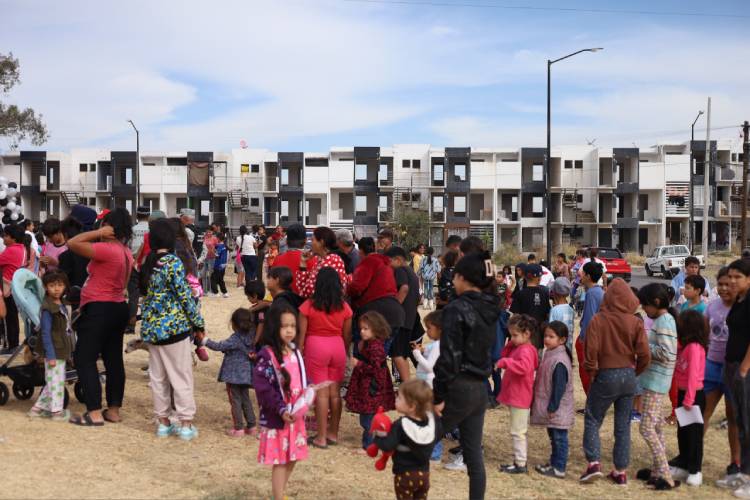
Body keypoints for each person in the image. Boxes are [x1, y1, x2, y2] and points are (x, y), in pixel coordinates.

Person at [433, 251, 501, 499]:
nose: (453, 282)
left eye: (456, 277)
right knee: (473, 456)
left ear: (462, 277)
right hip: (480, 387)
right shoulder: (491, 306)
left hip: (458, 385)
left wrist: (438, 394)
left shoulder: (457, 309)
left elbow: (449, 356)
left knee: (420, 440)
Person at [138, 218, 205, 439]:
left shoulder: (149, 261)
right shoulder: (173, 262)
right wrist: (198, 323)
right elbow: (184, 296)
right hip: (174, 329)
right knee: (181, 375)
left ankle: (163, 422)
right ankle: (185, 424)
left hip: (153, 329)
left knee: (158, 378)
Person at [580, 278, 650, 485]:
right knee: (623, 425)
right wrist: (636, 371)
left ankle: (593, 463)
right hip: (628, 375)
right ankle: (620, 471)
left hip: (605, 374)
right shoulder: (636, 321)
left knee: (593, 418)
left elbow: (590, 352)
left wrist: (592, 372)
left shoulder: (598, 320)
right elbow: (645, 353)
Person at [253, 304, 309, 500]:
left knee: (294, 456)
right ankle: (278, 496)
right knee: (280, 459)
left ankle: (280, 492)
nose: (289, 330)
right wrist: (281, 408)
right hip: (279, 416)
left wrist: (305, 400)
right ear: (273, 327)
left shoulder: (296, 352)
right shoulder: (267, 356)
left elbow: (301, 380)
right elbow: (263, 388)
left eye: (293, 326)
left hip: (295, 416)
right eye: (284, 326)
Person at [299, 268, 352, 449]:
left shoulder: (309, 305)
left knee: (321, 394)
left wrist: (298, 353)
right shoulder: (344, 307)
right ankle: (333, 433)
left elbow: (302, 335)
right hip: (337, 347)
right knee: (335, 394)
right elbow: (347, 336)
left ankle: (320, 437)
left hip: (316, 346)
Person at [635, 283, 679, 490]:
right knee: (658, 427)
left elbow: (668, 353)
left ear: (657, 302)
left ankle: (666, 475)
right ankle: (656, 471)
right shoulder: (662, 320)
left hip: (657, 382)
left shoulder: (665, 321)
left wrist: (643, 345)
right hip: (653, 380)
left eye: (645, 305)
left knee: (646, 428)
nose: (644, 309)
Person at [702, 268, 742, 489]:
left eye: (730, 284)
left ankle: (735, 463)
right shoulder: (712, 307)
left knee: (733, 418)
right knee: (702, 412)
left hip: (733, 370)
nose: (725, 288)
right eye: (721, 284)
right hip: (711, 366)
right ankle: (692, 455)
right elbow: (702, 333)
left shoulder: (743, 308)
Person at [373, 378, 442, 500]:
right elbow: (438, 435)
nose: (396, 399)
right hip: (424, 475)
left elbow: (388, 446)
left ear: (411, 406)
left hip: (405, 475)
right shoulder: (432, 420)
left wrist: (377, 436)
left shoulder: (401, 425)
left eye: (399, 398)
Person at [198, 308, 257, 437]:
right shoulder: (252, 335)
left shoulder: (235, 338)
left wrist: (204, 340)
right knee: (245, 399)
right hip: (246, 374)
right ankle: (252, 426)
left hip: (232, 375)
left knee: (235, 400)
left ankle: (239, 428)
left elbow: (219, 346)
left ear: (234, 324)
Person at [669, 309, 708, 487]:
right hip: (684, 395)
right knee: (683, 432)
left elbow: (693, 375)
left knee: (694, 435)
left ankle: (695, 469)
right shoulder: (683, 346)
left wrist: (689, 400)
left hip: (694, 397)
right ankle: (684, 463)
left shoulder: (694, 348)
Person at [345, 311, 395, 450]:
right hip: (367, 386)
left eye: (366, 329)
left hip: (372, 388)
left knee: (368, 419)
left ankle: (372, 443)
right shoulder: (370, 344)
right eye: (361, 329)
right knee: (368, 416)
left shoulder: (375, 347)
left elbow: (376, 369)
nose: (362, 332)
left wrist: (359, 364)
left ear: (376, 329)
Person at [496, 314, 539, 475]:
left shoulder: (526, 350)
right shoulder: (521, 348)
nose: (512, 338)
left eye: (515, 335)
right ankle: (518, 461)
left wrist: (506, 362)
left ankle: (520, 463)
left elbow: (524, 367)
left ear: (526, 334)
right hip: (518, 395)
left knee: (518, 431)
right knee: (517, 430)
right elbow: (504, 354)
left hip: (520, 397)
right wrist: (510, 346)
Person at [27, 271, 73, 421]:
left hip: (61, 348)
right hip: (54, 351)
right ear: (46, 287)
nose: (57, 289)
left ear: (65, 286)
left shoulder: (63, 304)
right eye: (52, 285)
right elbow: (45, 333)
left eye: (60, 285)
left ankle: (37, 408)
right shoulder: (48, 308)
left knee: (53, 380)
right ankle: (56, 411)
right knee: (56, 382)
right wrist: (50, 355)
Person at [531, 321, 574, 479]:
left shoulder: (560, 360)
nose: (546, 339)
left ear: (562, 340)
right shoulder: (551, 353)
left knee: (559, 438)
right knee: (554, 437)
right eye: (545, 336)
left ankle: (559, 468)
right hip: (554, 408)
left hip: (558, 408)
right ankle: (554, 463)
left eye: (551, 336)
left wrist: (553, 405)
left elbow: (559, 387)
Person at [724, 259, 750, 499]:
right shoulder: (739, 301)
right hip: (731, 366)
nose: (732, 281)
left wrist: (744, 368)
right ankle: (743, 472)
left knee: (748, 423)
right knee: (741, 422)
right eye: (730, 276)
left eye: (737, 277)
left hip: (744, 369)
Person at [386, 246, 421, 382]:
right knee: (401, 354)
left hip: (401, 319)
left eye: (389, 261)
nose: (388, 264)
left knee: (397, 354)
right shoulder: (411, 272)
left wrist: (394, 306)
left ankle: (406, 385)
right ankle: (406, 383)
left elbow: (404, 288)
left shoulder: (400, 270)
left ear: (398, 259)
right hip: (409, 317)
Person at [576, 261, 605, 396]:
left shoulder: (592, 293)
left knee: (586, 372)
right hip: (598, 339)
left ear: (587, 276)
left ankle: (591, 401)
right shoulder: (599, 291)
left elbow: (589, 319)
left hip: (588, 340)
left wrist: (584, 339)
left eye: (582, 273)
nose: (580, 276)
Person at [298, 227, 348, 299]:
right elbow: (304, 289)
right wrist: (303, 263)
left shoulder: (333, 260)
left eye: (313, 240)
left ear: (321, 242)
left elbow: (307, 291)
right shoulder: (321, 259)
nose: (311, 244)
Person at [0, 224, 27, 352]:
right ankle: (13, 344)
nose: (3, 238)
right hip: (15, 286)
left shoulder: (11, 250)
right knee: (12, 317)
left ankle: (12, 345)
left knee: (8, 317)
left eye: (6, 236)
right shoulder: (21, 248)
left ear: (13, 238)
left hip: (8, 287)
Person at [509, 264, 550, 349]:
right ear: (538, 278)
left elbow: (515, 315)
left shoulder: (520, 294)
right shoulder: (544, 293)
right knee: (536, 359)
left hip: (523, 334)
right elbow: (547, 313)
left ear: (524, 277)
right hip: (538, 335)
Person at [271, 223, 317, 296]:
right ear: (305, 241)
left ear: (286, 241)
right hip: (304, 303)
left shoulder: (278, 259)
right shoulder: (313, 260)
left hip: (283, 302)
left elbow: (273, 285)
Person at [548, 277, 574, 352]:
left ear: (555, 293)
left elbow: (551, 330)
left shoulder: (554, 310)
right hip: (568, 344)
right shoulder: (571, 309)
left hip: (557, 347)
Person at [419, 247, 441, 311]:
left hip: (425, 276)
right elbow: (438, 269)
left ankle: (425, 303)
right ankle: (431, 303)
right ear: (433, 252)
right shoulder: (435, 260)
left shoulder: (423, 259)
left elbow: (420, 268)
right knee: (431, 288)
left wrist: (419, 275)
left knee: (425, 288)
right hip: (432, 277)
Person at [210, 232, 229, 298]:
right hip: (223, 265)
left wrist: (212, 251)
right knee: (221, 279)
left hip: (218, 265)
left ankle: (215, 292)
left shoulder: (220, 246)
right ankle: (225, 292)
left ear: (218, 238)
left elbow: (217, 255)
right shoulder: (224, 246)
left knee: (213, 278)